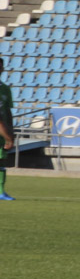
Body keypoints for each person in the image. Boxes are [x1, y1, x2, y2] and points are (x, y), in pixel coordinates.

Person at [0, 58, 14, 201]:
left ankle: (1, 192)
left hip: (2, 132)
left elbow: (7, 111)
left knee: (2, 162)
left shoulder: (5, 89)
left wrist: (11, 131)